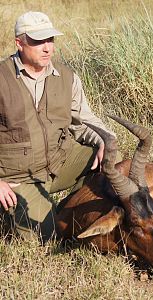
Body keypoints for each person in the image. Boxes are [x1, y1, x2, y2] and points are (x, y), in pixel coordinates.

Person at [0, 11, 114, 244]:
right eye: (38, 41)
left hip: (58, 161)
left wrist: (105, 140)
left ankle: (65, 211)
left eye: (50, 40)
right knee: (47, 239)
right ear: (19, 43)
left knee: (111, 157)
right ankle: (14, 213)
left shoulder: (67, 77)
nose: (47, 48)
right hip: (16, 175)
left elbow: (84, 120)